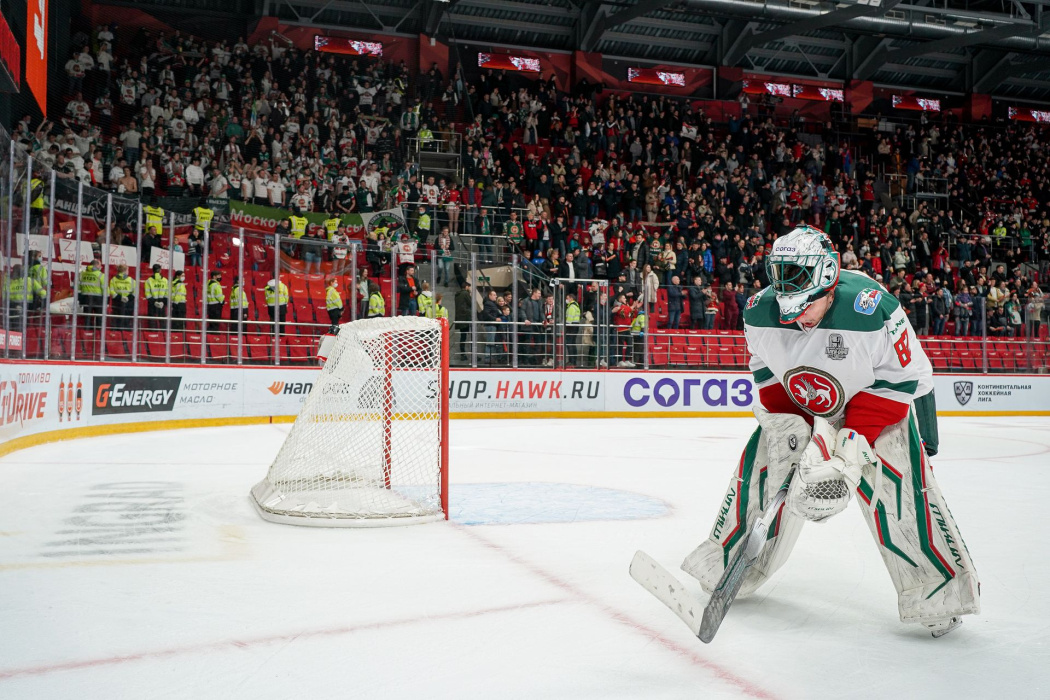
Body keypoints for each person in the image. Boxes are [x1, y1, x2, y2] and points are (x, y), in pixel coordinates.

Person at [681, 226, 978, 638]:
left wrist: (849, 448)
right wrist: (790, 431)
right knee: (764, 472)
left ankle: (938, 592)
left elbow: (900, 382)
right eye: (788, 310)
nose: (796, 318)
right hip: (802, 400)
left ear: (830, 283)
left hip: (877, 397)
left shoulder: (872, 309)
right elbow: (766, 371)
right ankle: (724, 564)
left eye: (805, 307)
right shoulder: (760, 311)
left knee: (898, 485)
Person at [77, 258, 105, 329]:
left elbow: (78, 288)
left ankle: (86, 335)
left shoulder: (82, 274)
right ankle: (99, 335)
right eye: (100, 265)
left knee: (87, 319)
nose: (101, 267)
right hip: (98, 299)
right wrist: (106, 301)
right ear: (97, 265)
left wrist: (80, 299)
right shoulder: (101, 275)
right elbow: (105, 289)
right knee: (99, 320)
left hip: (86, 298)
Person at [108, 264, 134, 330]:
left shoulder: (113, 280)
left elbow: (112, 291)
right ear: (125, 271)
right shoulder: (131, 280)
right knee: (127, 323)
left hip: (117, 303)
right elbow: (135, 292)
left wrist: (120, 298)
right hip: (128, 304)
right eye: (128, 270)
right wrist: (128, 298)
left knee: (117, 321)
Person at [144, 264, 169, 328]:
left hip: (152, 303)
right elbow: (167, 294)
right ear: (160, 270)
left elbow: (148, 294)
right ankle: (163, 335)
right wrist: (163, 302)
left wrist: (154, 302)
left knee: (152, 321)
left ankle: (152, 335)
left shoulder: (148, 281)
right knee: (162, 322)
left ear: (153, 270)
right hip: (162, 303)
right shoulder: (165, 280)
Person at [565, 292, 581, 366]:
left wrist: (566, 326)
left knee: (570, 343)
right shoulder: (576, 306)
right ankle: (573, 361)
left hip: (571, 326)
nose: (566, 300)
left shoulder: (571, 307)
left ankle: (571, 361)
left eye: (567, 298)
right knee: (573, 343)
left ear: (571, 298)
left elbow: (569, 318)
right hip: (575, 326)